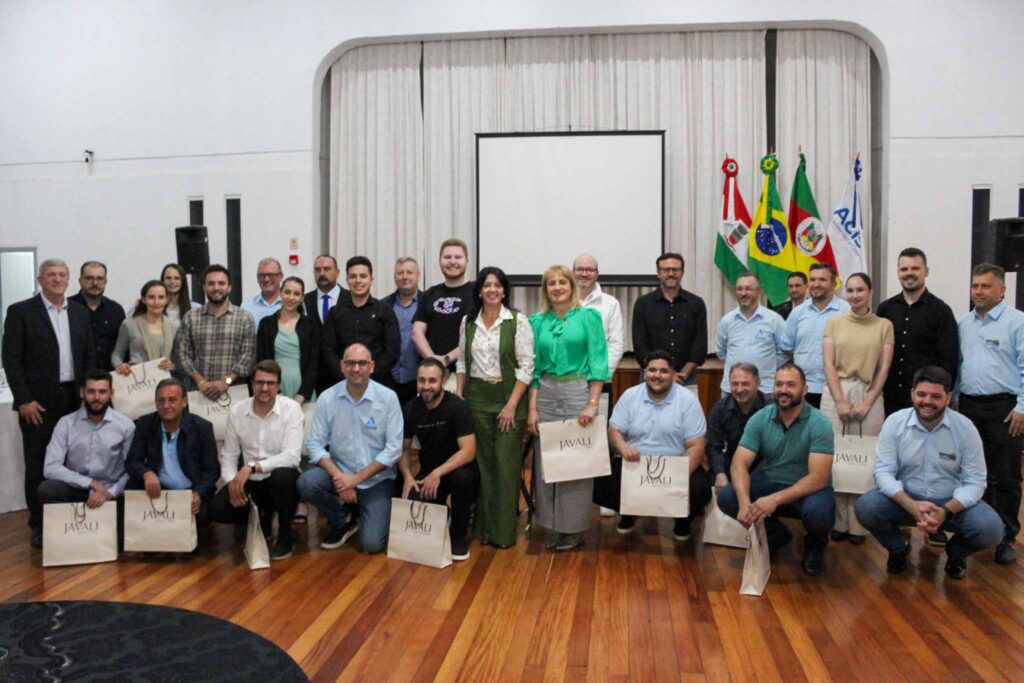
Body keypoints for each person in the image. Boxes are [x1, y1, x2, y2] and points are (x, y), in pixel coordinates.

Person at [855, 366, 1004, 579]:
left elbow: (976, 482)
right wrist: (911, 505)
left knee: (992, 529)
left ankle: (956, 553)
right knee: (866, 507)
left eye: (936, 396)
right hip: (906, 501)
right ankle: (898, 547)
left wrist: (945, 511)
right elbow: (883, 471)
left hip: (952, 505)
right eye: (922, 394)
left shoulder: (965, 428)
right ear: (912, 393)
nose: (927, 401)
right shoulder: (895, 423)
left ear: (948, 398)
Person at [2, 258, 96, 547]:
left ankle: (71, 521)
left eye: (62, 275)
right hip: (38, 405)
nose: (57, 279)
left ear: (69, 280)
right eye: (51, 275)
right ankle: (40, 524)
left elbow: (89, 356)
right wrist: (24, 399)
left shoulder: (79, 313)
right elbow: (11, 360)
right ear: (40, 279)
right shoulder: (20, 312)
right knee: (39, 463)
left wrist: (88, 393)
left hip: (74, 400)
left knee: (75, 461)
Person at [717, 363, 836, 575]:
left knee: (819, 513)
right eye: (779, 384)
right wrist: (744, 503)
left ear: (805, 389)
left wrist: (774, 500)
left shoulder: (820, 423)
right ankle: (775, 535)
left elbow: (818, 478)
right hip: (771, 481)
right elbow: (739, 463)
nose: (783, 390)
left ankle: (815, 546)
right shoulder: (760, 418)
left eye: (791, 385)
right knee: (727, 497)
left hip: (808, 489)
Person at [527, 265, 610, 551]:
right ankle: (551, 526)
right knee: (547, 463)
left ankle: (573, 529)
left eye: (563, 282)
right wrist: (532, 409)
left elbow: (598, 362)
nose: (557, 287)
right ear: (545, 290)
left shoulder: (589, 317)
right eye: (551, 283)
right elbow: (533, 370)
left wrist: (592, 403)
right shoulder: (537, 322)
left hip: (578, 394)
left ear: (572, 286)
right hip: (546, 394)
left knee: (576, 463)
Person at [455, 266, 534, 548]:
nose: (492, 290)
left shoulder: (517, 321)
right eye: (487, 285)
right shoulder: (468, 322)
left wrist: (512, 405)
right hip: (476, 399)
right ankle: (484, 529)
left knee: (506, 466)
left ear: (504, 291)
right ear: (479, 290)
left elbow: (527, 366)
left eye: (497, 285)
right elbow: (462, 362)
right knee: (483, 466)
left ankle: (503, 533)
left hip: (508, 400)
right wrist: (460, 398)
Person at [299, 343, 403, 553]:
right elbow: (314, 444)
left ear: (371, 366)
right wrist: (341, 479)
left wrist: (355, 480)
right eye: (350, 363)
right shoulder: (327, 398)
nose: (356, 369)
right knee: (307, 482)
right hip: (340, 473)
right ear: (342, 366)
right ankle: (343, 518)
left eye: (362, 363)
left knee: (372, 544)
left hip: (376, 480)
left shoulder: (388, 398)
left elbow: (394, 449)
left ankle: (360, 509)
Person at [958, 263, 1024, 564]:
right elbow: (960, 365)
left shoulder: (1017, 322)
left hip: (1006, 409)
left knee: (1006, 476)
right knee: (974, 473)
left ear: (1002, 289)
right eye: (975, 286)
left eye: (985, 286)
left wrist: (1022, 407)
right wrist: (954, 399)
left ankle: (1007, 536)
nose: (979, 292)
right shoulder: (964, 323)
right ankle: (981, 530)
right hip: (969, 406)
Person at [608, 350, 712, 540]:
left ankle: (682, 520)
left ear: (673, 374)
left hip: (675, 466)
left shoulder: (688, 400)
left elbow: (696, 445)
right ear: (644, 373)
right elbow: (614, 431)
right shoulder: (630, 396)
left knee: (700, 489)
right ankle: (629, 512)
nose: (657, 375)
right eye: (652, 370)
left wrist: (678, 477)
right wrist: (623, 448)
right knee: (601, 481)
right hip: (635, 466)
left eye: (664, 371)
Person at [821, 272, 894, 545]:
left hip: (869, 393)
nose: (854, 295)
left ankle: (860, 525)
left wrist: (867, 401)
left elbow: (883, 368)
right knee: (837, 458)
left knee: (864, 458)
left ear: (870, 292)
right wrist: (840, 400)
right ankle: (840, 522)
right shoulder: (834, 322)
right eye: (850, 290)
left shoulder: (884, 325)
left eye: (860, 290)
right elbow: (828, 363)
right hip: (836, 391)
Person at [210, 360, 302, 561]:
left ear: (278, 386)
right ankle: (260, 520)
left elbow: (291, 456)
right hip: (251, 483)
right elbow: (229, 456)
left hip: (279, 479)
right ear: (252, 383)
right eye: (260, 382)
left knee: (283, 476)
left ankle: (285, 535)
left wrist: (252, 467)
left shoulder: (292, 409)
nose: (264, 388)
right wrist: (231, 483)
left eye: (270, 383)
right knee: (217, 508)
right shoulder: (237, 411)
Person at [37, 370, 134, 544]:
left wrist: (110, 493)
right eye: (91, 391)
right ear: (82, 392)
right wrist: (91, 483)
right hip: (78, 489)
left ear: (111, 393)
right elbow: (50, 467)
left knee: (118, 543)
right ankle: (64, 537)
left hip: (112, 493)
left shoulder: (126, 426)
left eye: (102, 392)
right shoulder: (66, 423)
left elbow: (132, 469)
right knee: (47, 489)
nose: (96, 397)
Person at [400, 358, 478, 560]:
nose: (426, 386)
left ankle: (458, 536)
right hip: (429, 472)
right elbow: (403, 448)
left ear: (443, 381)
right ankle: (443, 513)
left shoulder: (458, 407)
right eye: (422, 380)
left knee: (463, 479)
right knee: (412, 499)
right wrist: (408, 477)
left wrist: (438, 472)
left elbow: (468, 451)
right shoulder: (411, 408)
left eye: (432, 381)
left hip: (457, 469)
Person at [124, 378, 219, 527]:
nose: (166, 406)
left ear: (184, 402)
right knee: (132, 486)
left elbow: (212, 471)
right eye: (161, 400)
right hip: (157, 490)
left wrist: (198, 493)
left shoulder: (202, 428)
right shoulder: (145, 423)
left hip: (190, 492)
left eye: (172, 400)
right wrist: (147, 473)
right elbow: (132, 461)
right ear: (156, 403)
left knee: (202, 520)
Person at [876, 247, 958, 417]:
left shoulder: (941, 311)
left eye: (915, 268)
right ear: (898, 272)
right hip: (889, 398)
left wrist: (941, 397)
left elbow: (949, 361)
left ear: (926, 271)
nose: (909, 273)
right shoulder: (885, 309)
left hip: (926, 402)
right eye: (904, 269)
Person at [175, 264, 256, 399]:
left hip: (234, 391)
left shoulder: (244, 318)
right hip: (198, 392)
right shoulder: (190, 317)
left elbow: (248, 356)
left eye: (221, 283)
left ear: (229, 287)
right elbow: (181, 354)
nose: (216, 288)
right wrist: (200, 381)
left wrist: (226, 381)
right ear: (204, 287)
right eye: (211, 283)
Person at [322, 256, 400, 388]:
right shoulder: (335, 313)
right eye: (353, 276)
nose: (358, 281)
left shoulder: (385, 311)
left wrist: (368, 375)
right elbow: (328, 350)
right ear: (347, 280)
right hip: (342, 383)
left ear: (371, 280)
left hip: (378, 383)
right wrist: (346, 375)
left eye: (363, 276)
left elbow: (392, 351)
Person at [632, 253, 707, 388]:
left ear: (682, 272)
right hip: (652, 376)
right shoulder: (643, 304)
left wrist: (682, 374)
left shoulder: (696, 304)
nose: (671, 274)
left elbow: (699, 345)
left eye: (675, 269)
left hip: (686, 378)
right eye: (666, 270)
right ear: (658, 273)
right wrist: (663, 373)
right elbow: (639, 345)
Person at [781, 262, 850, 408]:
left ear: (834, 284)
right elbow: (787, 346)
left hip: (837, 388)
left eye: (822, 280)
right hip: (804, 388)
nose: (816, 284)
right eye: (812, 280)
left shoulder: (846, 311)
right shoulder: (798, 313)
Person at [412, 238, 475, 387]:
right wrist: (434, 362)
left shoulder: (477, 293)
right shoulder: (429, 294)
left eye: (458, 257)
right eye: (447, 257)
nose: (452, 261)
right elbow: (417, 333)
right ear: (440, 261)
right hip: (431, 376)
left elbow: (477, 337)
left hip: (467, 374)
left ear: (467, 261)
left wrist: (446, 359)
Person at [715, 273, 786, 397]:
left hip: (764, 389)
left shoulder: (774, 320)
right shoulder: (727, 321)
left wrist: (769, 366)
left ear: (758, 291)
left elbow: (784, 352)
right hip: (732, 389)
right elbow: (721, 351)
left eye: (748, 289)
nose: (743, 293)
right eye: (739, 289)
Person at [256, 276, 318, 404]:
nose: (291, 297)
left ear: (302, 298)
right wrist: (276, 393)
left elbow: (314, 363)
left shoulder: (311, 325)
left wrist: (302, 395)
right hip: (273, 389)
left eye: (296, 294)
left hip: (304, 391)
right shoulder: (266, 324)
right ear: (280, 293)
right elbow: (261, 360)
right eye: (287, 292)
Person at [708, 363, 768, 493]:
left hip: (765, 464)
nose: (739, 389)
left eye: (745, 384)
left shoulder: (771, 407)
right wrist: (720, 474)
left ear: (758, 383)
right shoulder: (720, 408)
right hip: (733, 462)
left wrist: (748, 480)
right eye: (735, 384)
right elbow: (714, 446)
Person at [304, 254, 350, 395]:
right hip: (313, 376)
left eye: (327, 269)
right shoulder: (304, 301)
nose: (322, 273)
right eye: (318, 270)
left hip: (344, 374)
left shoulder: (351, 299)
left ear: (337, 272)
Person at [573, 254, 625, 375]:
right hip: (568, 378)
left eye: (589, 270)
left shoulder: (611, 303)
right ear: (572, 273)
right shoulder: (562, 303)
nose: (584, 274)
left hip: (601, 376)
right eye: (580, 269)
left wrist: (601, 374)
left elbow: (616, 344)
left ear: (597, 274)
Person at [69, 261, 126, 372]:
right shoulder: (67, 308)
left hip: (111, 376)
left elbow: (123, 348)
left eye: (100, 278)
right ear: (80, 281)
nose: (95, 283)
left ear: (105, 282)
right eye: (89, 278)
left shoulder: (116, 310)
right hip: (77, 377)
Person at [111, 280, 177, 375]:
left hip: (165, 380)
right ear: (143, 299)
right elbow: (117, 354)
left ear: (166, 300)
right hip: (136, 379)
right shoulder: (129, 324)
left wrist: (173, 366)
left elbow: (179, 360)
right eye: (151, 297)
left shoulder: (174, 327)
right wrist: (120, 365)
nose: (156, 302)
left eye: (161, 297)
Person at [382, 257, 422, 408]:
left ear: (418, 276)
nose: (405, 276)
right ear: (394, 277)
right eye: (400, 273)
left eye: (409, 272)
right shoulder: (383, 306)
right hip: (389, 380)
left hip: (419, 381)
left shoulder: (428, 303)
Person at [242, 257, 284, 324]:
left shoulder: (292, 304)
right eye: (262, 275)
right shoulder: (247, 306)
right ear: (257, 278)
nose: (266, 279)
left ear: (281, 276)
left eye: (271, 275)